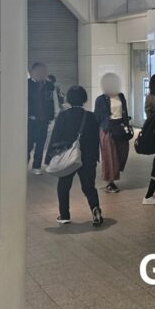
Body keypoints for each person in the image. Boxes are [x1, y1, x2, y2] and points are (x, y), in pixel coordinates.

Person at [45, 85, 102, 227]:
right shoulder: (91, 116)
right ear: (84, 99)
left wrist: (48, 158)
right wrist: (96, 156)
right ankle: (95, 209)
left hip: (68, 157)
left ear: (68, 99)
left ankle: (64, 215)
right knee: (89, 186)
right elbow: (96, 139)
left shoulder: (63, 116)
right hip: (87, 157)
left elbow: (55, 137)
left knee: (64, 186)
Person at [94, 72, 131, 193]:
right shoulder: (100, 99)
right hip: (107, 129)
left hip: (120, 127)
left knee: (122, 153)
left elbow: (124, 111)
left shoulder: (121, 96)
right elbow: (97, 116)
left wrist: (126, 123)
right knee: (110, 156)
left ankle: (113, 177)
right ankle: (111, 182)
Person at [28, 62, 55, 175]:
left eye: (44, 72)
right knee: (28, 144)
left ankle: (36, 166)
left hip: (43, 119)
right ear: (32, 73)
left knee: (40, 144)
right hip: (30, 119)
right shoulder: (27, 84)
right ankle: (23, 163)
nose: (42, 74)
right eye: (39, 72)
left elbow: (52, 102)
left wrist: (51, 116)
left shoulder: (49, 86)